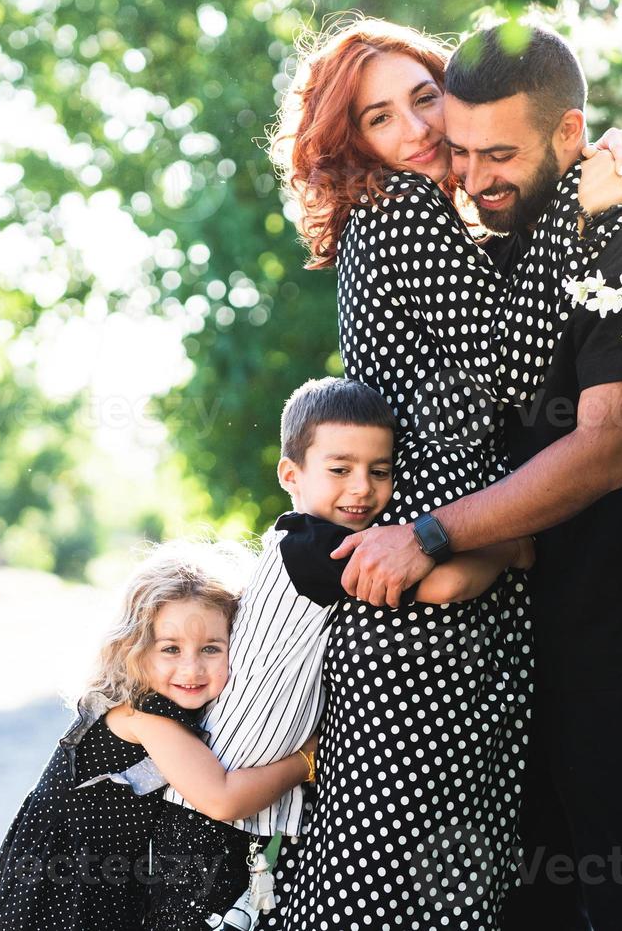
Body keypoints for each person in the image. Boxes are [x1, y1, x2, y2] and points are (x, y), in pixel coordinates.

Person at [330, 24, 622, 929]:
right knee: (531, 912)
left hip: (620, 650)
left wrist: (434, 535)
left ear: (571, 136)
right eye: (462, 150)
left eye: (498, 153)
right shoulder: (500, 242)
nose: (473, 174)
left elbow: (603, 452)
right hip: (513, 645)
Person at [262, 15, 622, 930]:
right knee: (416, 873)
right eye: (380, 119)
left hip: (459, 543)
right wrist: (584, 205)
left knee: (451, 867)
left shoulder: (435, 214)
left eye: (425, 99)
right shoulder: (400, 213)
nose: (417, 131)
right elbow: (516, 374)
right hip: (432, 564)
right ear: (350, 146)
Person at [147, 376, 535, 930]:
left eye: (380, 471)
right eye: (340, 469)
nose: (362, 488)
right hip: (214, 808)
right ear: (290, 475)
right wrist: (508, 544)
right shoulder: (318, 548)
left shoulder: (296, 542)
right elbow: (449, 587)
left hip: (246, 806)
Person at [0, 542, 317, 931]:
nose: (191, 669)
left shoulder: (162, 706)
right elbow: (221, 798)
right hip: (65, 883)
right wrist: (305, 762)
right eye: (170, 649)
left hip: (97, 878)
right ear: (135, 651)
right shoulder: (144, 713)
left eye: (211, 648)